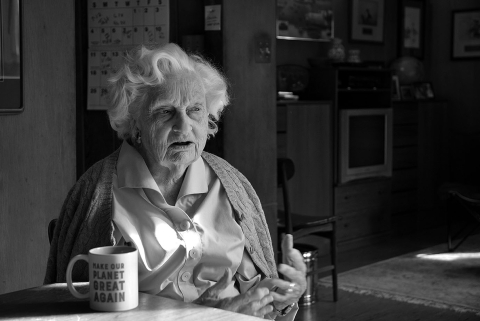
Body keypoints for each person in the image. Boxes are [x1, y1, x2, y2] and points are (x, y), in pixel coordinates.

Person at [44, 43, 307, 319]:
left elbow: (257, 295)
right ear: (135, 124)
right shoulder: (97, 195)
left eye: (195, 110)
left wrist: (281, 297)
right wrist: (204, 316)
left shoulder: (231, 185)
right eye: (165, 112)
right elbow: (76, 310)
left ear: (209, 120)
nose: (184, 127)